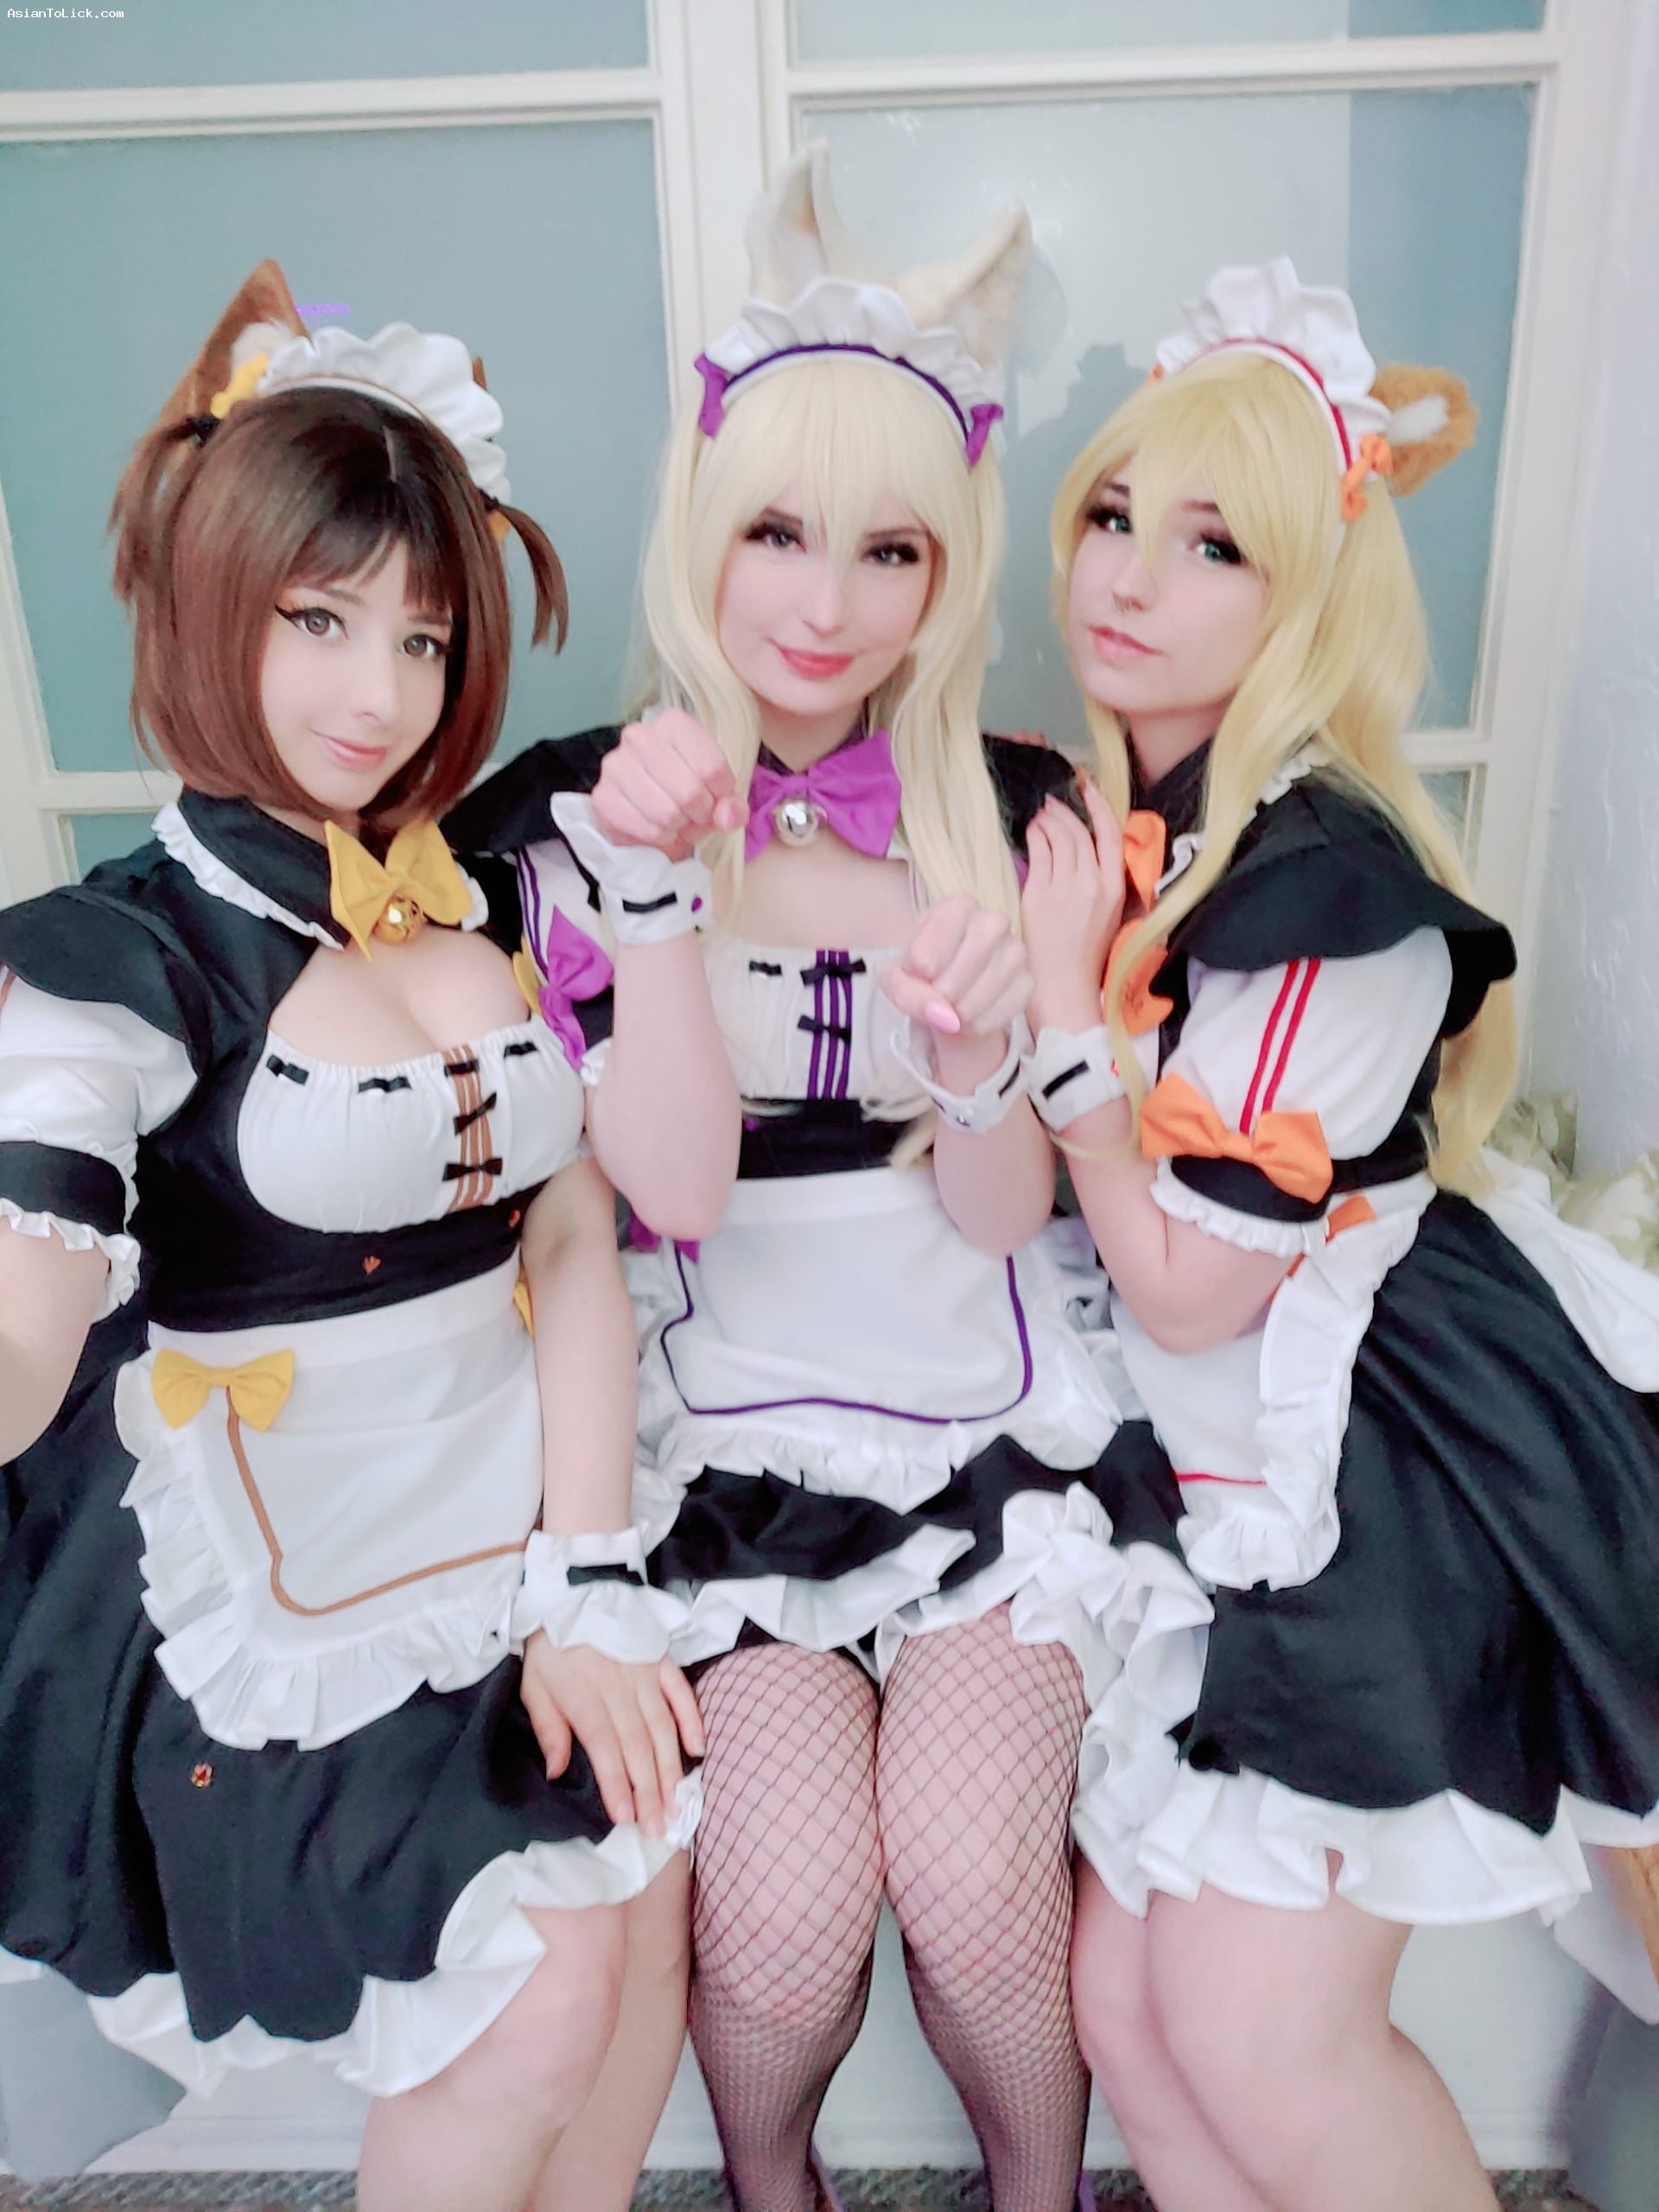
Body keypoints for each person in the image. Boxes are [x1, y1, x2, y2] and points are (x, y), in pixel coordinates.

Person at [451, 147, 1196, 2212]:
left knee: (972, 1883)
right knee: (777, 1928)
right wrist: (653, 900)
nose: (824, 602)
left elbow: (1002, 1213)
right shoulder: (583, 814)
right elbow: (674, 1189)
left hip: (988, 1412)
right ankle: (777, 2190)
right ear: (704, 526)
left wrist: (976, 1058)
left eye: (889, 549)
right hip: (723, 1429)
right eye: (777, 531)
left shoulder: (1016, 810)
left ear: (948, 573)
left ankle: (1035, 2191)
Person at [0, 260, 702, 2212]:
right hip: (295, 1548)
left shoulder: (486, 888)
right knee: (536, 1999)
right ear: (207, 597)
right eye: (317, 619)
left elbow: (572, 1237)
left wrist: (587, 1574)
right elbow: (27, 1312)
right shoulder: (115, 964)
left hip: (534, 1491)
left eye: (420, 634)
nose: (376, 696)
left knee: (645, 1920)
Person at [1018, 256, 1659, 2210]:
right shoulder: (1150, 828)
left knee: (1260, 2031)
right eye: (1114, 515)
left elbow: (1189, 1286)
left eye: (1212, 544)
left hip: (1374, 1479)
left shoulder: (1329, 895)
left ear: (1305, 596)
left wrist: (1059, 1031)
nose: (1131, 574)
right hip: (1229, 1462)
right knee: (1129, 2009)